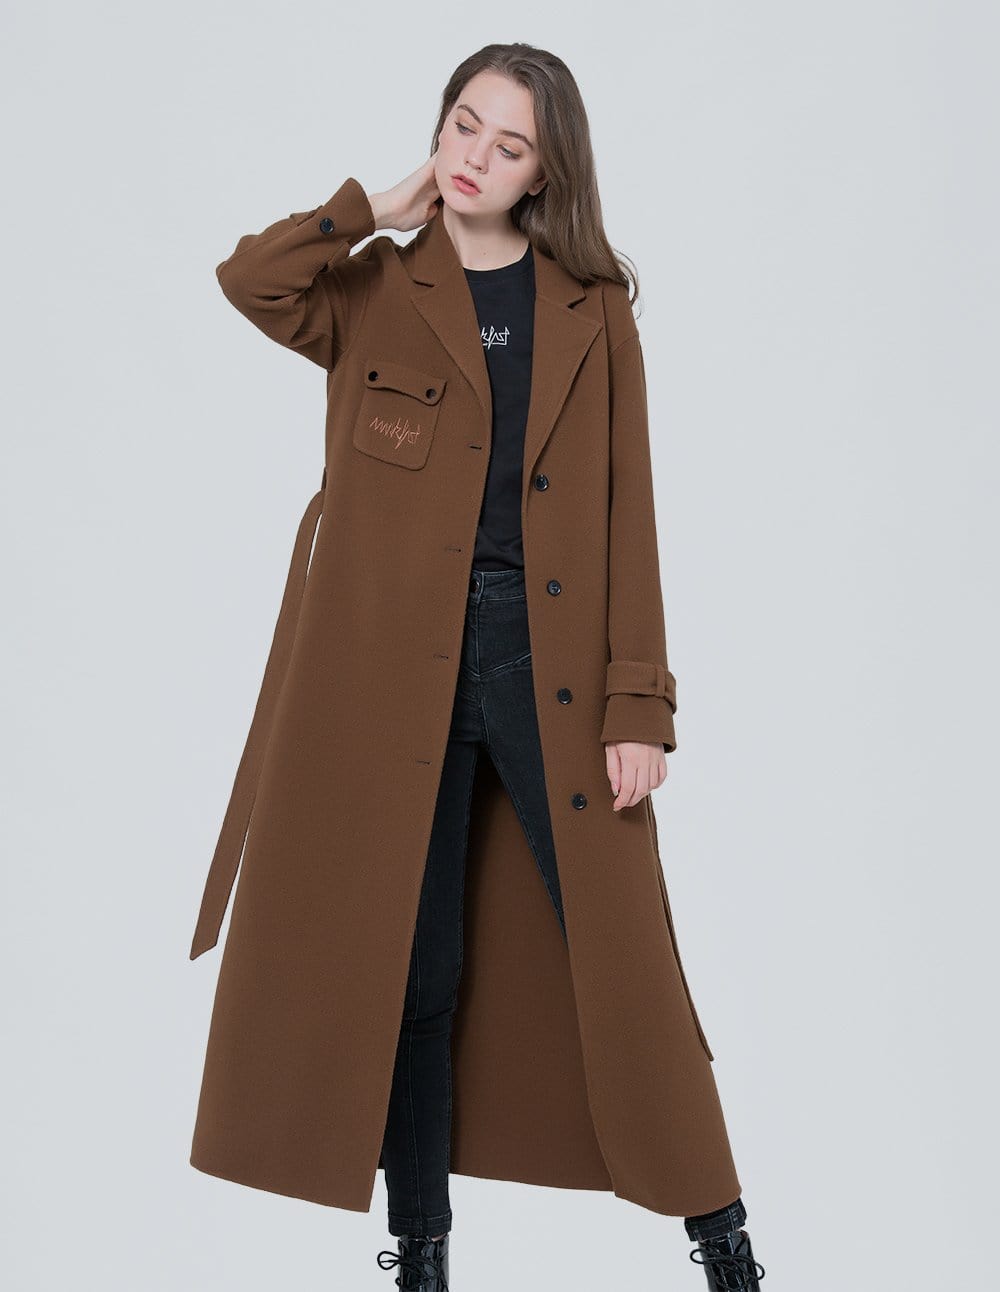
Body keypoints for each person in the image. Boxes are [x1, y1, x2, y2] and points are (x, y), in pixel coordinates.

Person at [197, 41, 765, 1292]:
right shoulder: (372, 286)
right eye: (463, 125)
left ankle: (724, 1241)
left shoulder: (591, 308)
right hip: (388, 669)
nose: (474, 157)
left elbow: (626, 510)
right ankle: (422, 1254)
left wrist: (637, 700)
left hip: (542, 654)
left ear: (544, 171)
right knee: (414, 965)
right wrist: (369, 206)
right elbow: (249, 280)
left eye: (508, 145)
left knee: (625, 953)